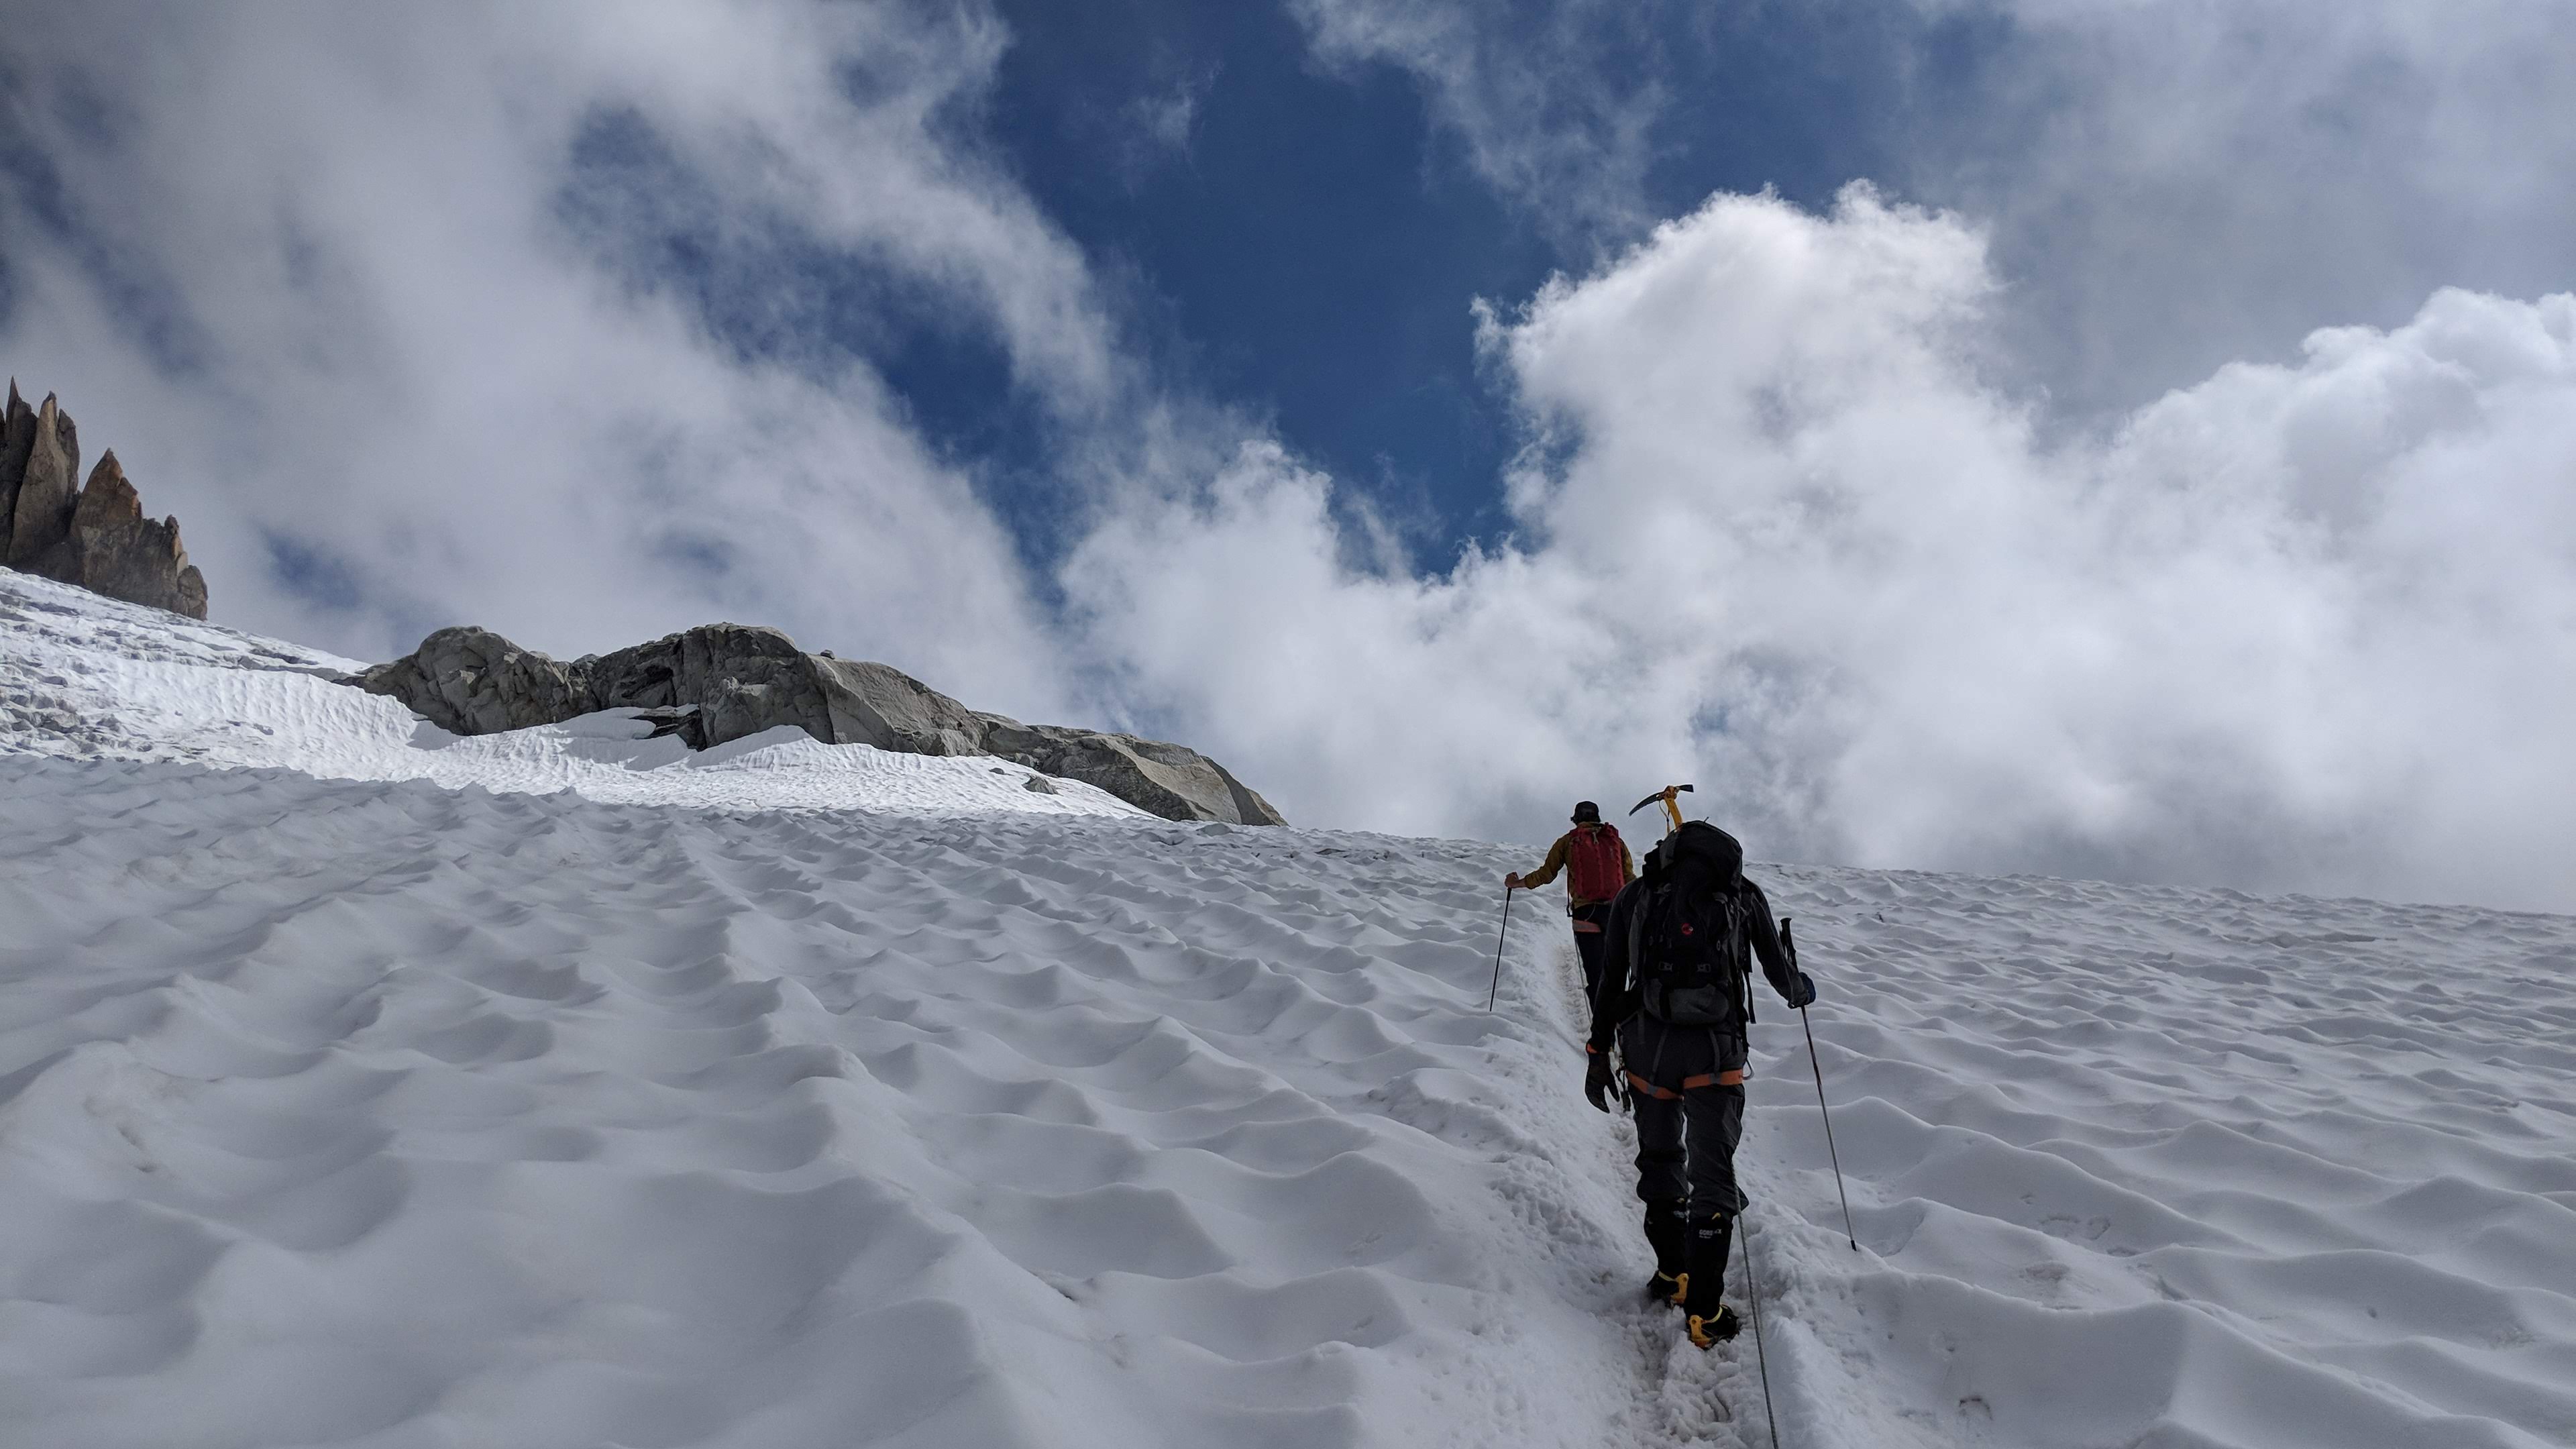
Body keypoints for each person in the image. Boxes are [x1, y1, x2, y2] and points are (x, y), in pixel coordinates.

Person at [1582, 820, 1815, 1350]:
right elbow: (1781, 977)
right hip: (1715, 1049)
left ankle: (1673, 1274)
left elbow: (1611, 977)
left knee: (1660, 1156)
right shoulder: (1743, 895)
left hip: (1649, 1045)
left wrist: (1598, 1051)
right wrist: (1802, 989)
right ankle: (1706, 1314)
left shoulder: (1635, 895)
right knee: (1713, 1172)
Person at [1505, 801, 1634, 1000]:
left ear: (1576, 819)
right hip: (1616, 913)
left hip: (1585, 914)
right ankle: (1623, 1017)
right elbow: (1629, 878)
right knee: (1617, 975)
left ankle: (1601, 1018)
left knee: (1596, 976)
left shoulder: (1567, 842)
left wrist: (1516, 883)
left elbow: (1546, 875)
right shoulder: (1616, 841)